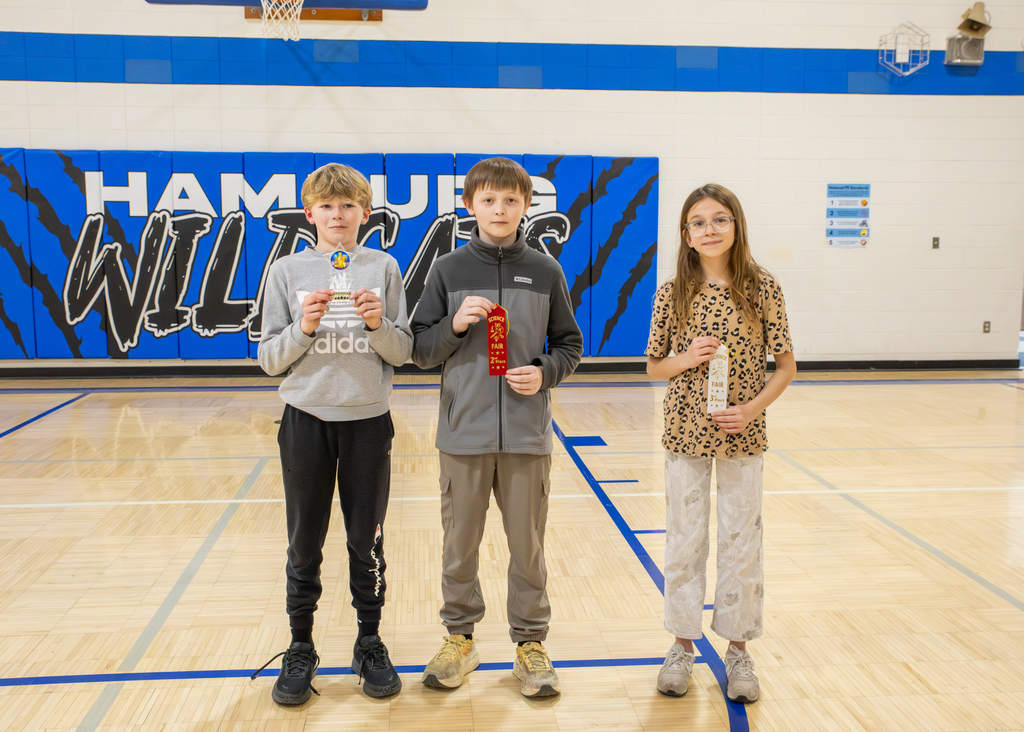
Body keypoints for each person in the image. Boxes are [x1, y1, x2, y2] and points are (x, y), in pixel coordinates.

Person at [411, 157, 583, 698]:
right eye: (488, 200)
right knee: (459, 544)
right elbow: (419, 349)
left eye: (510, 200)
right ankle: (459, 639)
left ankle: (530, 645)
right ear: (470, 206)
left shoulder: (547, 270)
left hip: (528, 436)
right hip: (463, 435)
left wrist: (546, 372)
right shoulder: (448, 271)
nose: (500, 209)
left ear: (526, 206)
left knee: (527, 545)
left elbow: (571, 345)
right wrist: (455, 326)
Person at [253, 163, 413, 704]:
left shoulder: (383, 266)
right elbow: (269, 359)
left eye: (348, 206)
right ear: (310, 213)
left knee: (365, 538)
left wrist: (376, 325)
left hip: (368, 420)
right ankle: (301, 645)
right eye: (327, 206)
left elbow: (403, 350)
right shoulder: (287, 272)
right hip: (306, 421)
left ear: (365, 213)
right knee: (304, 541)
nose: (337, 215)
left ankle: (369, 639)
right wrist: (304, 328)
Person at [646, 183, 795, 704]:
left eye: (720, 219)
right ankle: (682, 645)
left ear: (736, 226)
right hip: (686, 433)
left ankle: (738, 651)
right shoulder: (672, 293)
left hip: (743, 434)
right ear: (686, 236)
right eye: (698, 222)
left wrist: (752, 408)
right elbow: (654, 366)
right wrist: (687, 357)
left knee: (741, 541)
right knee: (685, 541)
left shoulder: (763, 288)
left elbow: (787, 365)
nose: (710, 229)